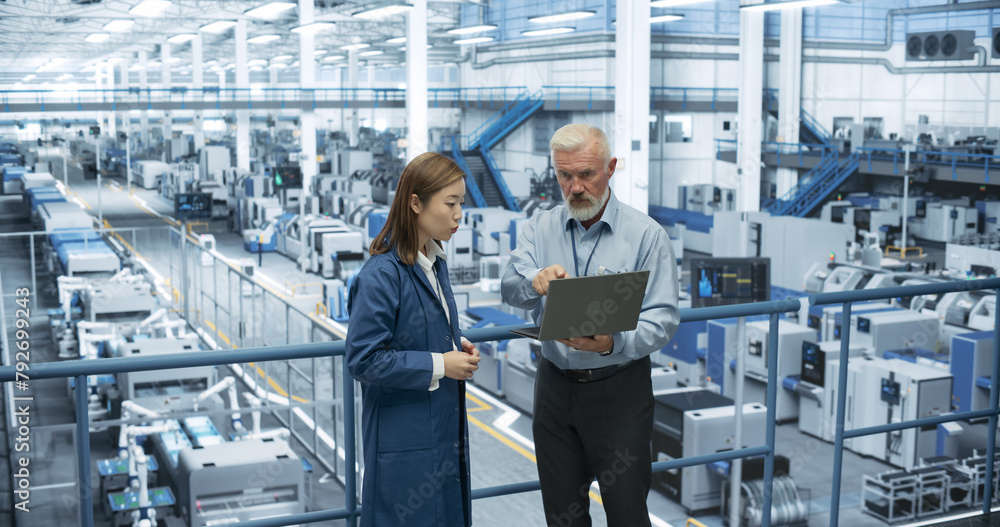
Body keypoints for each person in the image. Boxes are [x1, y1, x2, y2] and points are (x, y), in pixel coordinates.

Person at [501, 124, 680, 527]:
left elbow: (664, 319)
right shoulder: (539, 228)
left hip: (620, 393)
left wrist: (610, 343)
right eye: (564, 175)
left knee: (627, 513)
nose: (575, 187)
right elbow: (508, 287)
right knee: (562, 514)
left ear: (610, 168)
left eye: (586, 174)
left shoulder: (646, 237)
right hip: (554, 389)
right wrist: (534, 280)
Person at [346, 151, 481, 527]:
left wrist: (454, 345)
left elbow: (419, 327)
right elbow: (363, 359)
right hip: (404, 445)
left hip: (442, 436)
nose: (459, 215)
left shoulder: (435, 263)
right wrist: (441, 364)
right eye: (450, 203)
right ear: (416, 203)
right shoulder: (381, 275)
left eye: (461, 204)